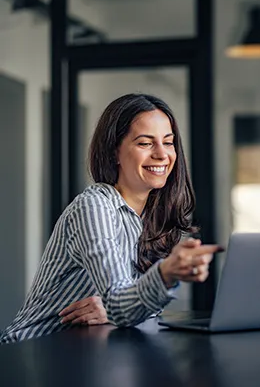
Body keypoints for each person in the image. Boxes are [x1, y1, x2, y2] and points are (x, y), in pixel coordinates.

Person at [1, 93, 221, 343]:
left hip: (85, 353)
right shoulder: (93, 206)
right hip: (30, 354)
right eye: (145, 143)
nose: (162, 154)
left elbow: (128, 308)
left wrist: (114, 309)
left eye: (168, 142)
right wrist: (164, 275)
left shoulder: (152, 216)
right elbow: (122, 305)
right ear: (114, 152)